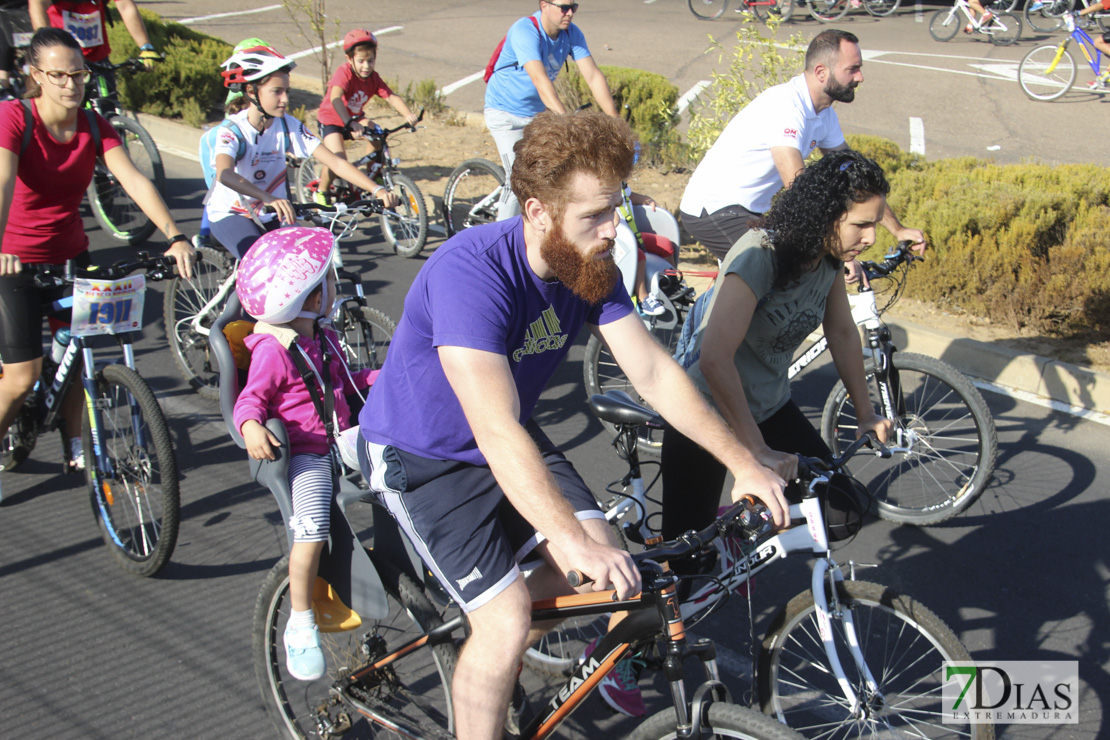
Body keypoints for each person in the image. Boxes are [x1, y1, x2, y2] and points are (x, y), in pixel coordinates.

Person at [356, 110, 789, 737]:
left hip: (505, 436)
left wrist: (744, 461)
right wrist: (568, 536)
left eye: (615, 209)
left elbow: (655, 373)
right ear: (536, 212)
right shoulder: (470, 274)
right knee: (504, 620)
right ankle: (491, 644)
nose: (614, 229)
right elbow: (495, 427)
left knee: (605, 564)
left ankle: (487, 642)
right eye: (595, 216)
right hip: (423, 456)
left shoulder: (590, 268)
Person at [662, 150, 895, 550]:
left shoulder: (827, 260)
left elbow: (841, 332)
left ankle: (738, 525)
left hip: (769, 406)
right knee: (684, 568)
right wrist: (756, 452)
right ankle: (723, 532)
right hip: (706, 410)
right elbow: (714, 358)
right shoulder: (761, 253)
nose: (871, 238)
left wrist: (865, 412)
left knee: (839, 510)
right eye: (861, 224)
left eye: (874, 225)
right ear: (825, 216)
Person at [0, 28, 193, 502]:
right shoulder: (13, 118)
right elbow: (2, 181)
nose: (71, 84)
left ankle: (74, 439)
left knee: (79, 350)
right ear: (35, 75)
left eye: (79, 73)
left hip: (70, 254)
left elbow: (132, 179)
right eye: (58, 75)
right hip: (14, 261)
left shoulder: (92, 126)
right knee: (23, 375)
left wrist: (175, 234)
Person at [232, 226, 377, 681]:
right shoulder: (274, 351)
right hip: (310, 454)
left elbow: (351, 382)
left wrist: (396, 374)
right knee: (310, 528)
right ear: (310, 299)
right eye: (327, 281)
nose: (334, 285)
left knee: (412, 470)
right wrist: (250, 425)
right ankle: (300, 621)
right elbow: (249, 399)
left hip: (342, 438)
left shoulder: (322, 337)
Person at [678, 29, 925, 273]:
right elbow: (799, 187)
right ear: (821, 72)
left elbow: (858, 181)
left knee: (800, 273)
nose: (860, 77)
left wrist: (898, 230)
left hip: (753, 210)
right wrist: (839, 248)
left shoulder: (825, 115)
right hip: (713, 209)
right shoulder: (785, 106)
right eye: (852, 69)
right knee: (776, 272)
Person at [205, 44, 398, 259]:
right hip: (233, 213)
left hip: (274, 213)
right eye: (276, 92)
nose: (285, 99)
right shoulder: (233, 129)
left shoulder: (288, 125)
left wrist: (377, 190)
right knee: (261, 266)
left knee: (308, 264)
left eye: (286, 91)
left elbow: (335, 163)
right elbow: (225, 173)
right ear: (251, 92)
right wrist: (267, 197)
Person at [484, 0, 618, 220]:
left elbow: (593, 76)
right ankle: (502, 238)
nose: (569, 13)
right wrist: (567, 121)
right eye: (563, 7)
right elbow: (540, 79)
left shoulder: (571, 33)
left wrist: (615, 121)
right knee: (515, 178)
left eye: (573, 7)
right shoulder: (525, 30)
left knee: (550, 172)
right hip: (504, 114)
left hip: (535, 114)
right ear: (544, 5)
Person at [313, 28, 418, 205]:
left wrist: (408, 115)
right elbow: (336, 98)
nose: (366, 66)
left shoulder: (373, 78)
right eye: (361, 61)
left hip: (353, 120)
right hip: (332, 120)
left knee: (377, 134)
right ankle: (321, 191)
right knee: (337, 159)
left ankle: (373, 175)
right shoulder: (344, 72)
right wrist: (348, 122)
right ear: (349, 59)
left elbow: (391, 96)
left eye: (371, 61)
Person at [28, 0, 161, 69]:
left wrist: (146, 47)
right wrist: (45, 48)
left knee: (107, 106)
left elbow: (126, 6)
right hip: (63, 58)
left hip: (98, 57)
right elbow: (37, 4)